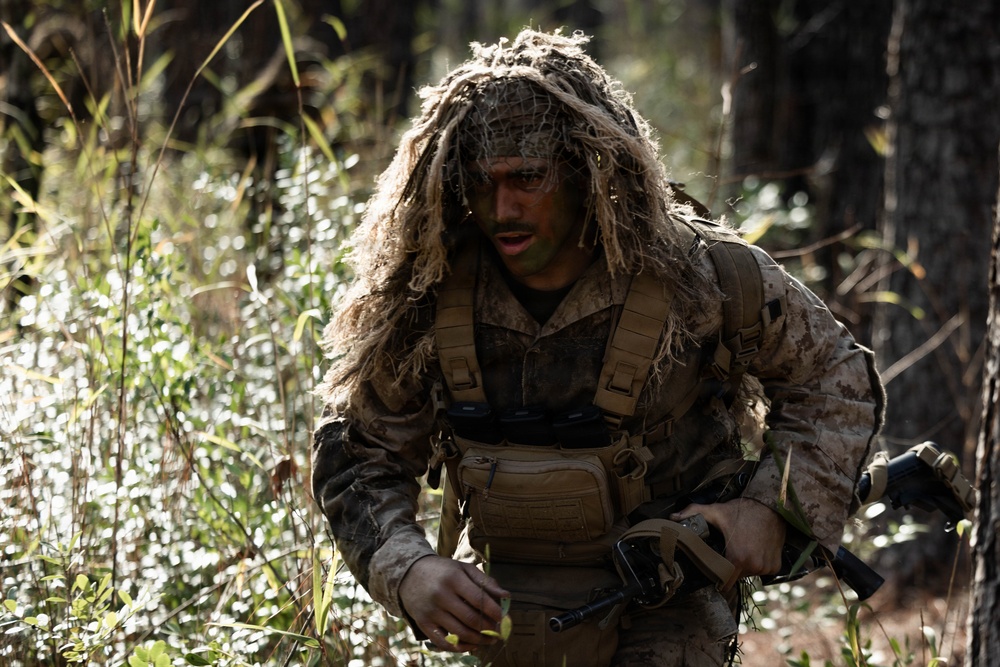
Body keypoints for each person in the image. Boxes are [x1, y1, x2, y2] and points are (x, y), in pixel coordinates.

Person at [312, 28, 884, 667]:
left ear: (587, 170)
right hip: (501, 612)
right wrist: (409, 570)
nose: (502, 207)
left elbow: (833, 379)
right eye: (479, 180)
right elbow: (357, 449)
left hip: (667, 610)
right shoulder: (424, 293)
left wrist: (769, 509)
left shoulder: (700, 277)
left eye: (528, 177)